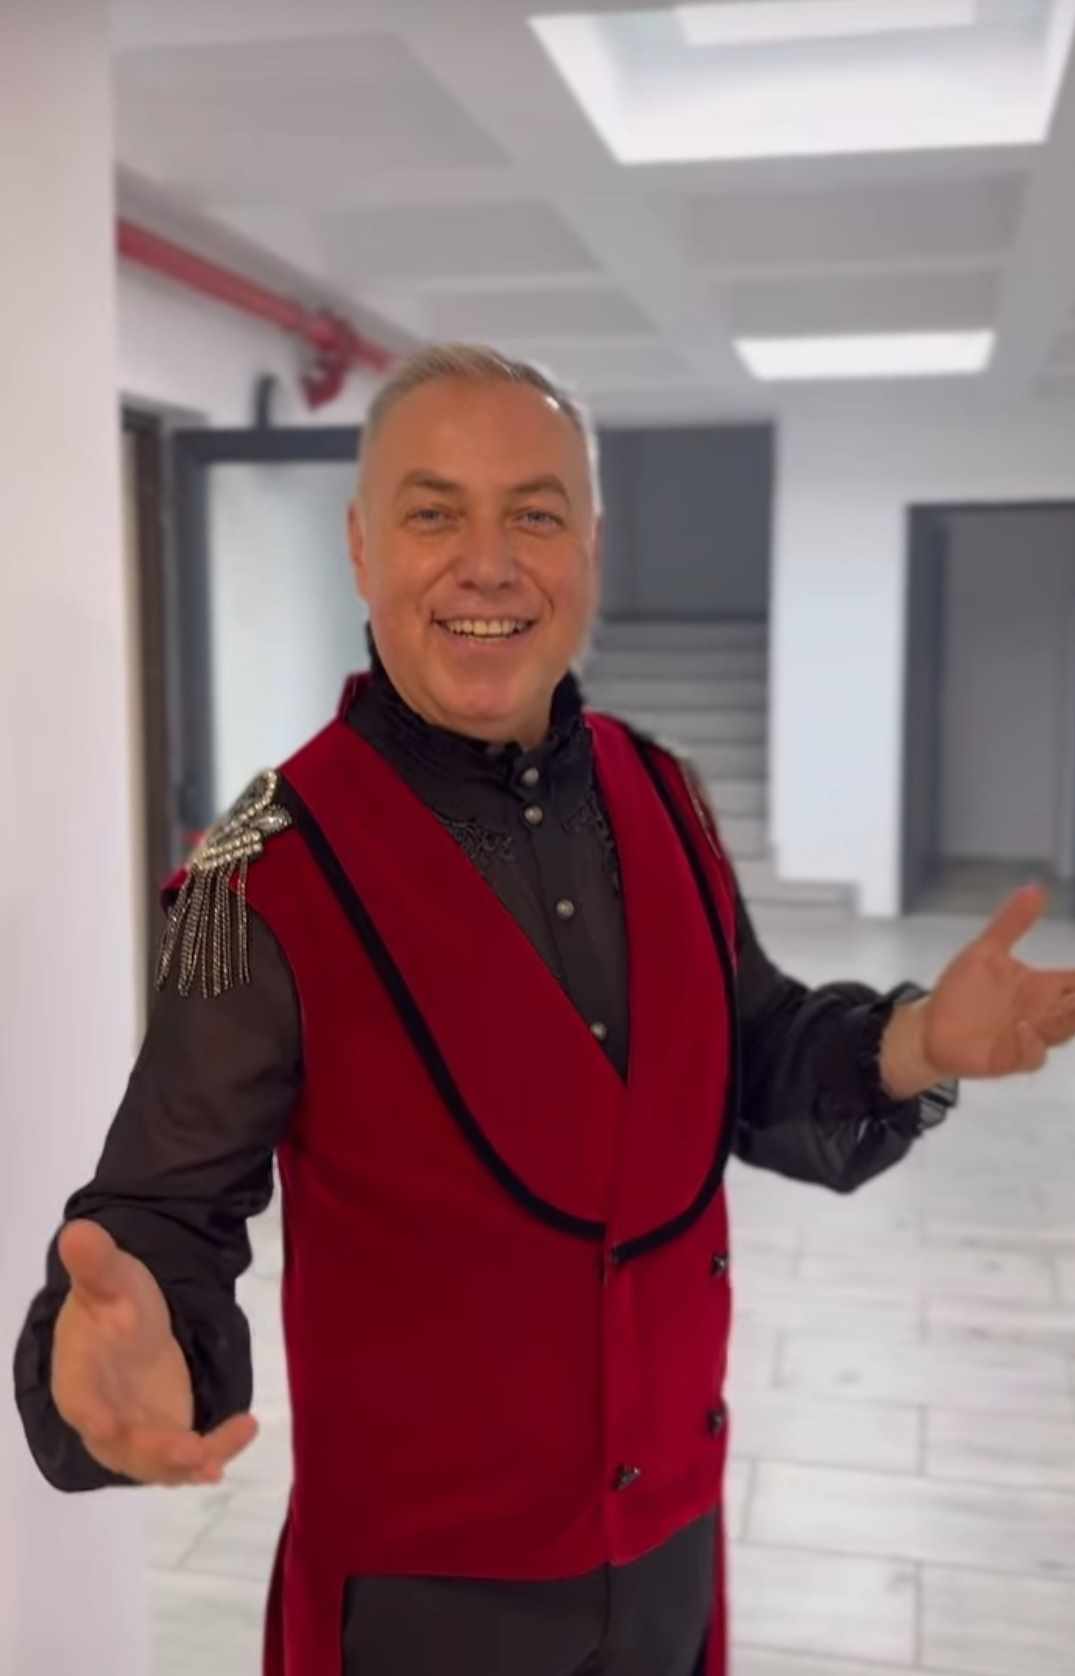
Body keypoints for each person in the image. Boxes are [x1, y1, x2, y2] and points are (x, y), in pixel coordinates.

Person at [14, 344, 1075, 1676]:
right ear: (362, 547)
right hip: (427, 1595)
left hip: (673, 1547)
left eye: (534, 513)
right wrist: (121, 1349)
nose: (488, 563)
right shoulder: (266, 868)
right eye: (433, 513)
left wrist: (918, 1042)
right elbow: (167, 1207)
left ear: (590, 549)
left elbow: (747, 1052)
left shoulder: (663, 789)